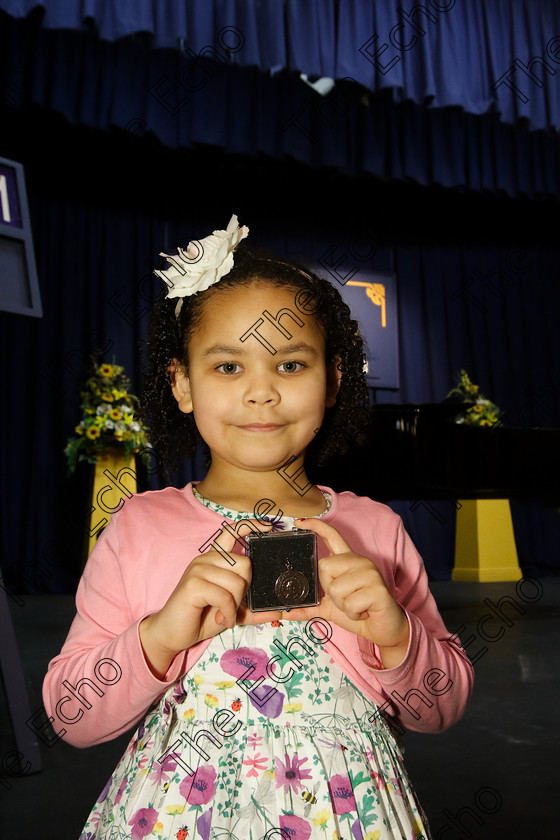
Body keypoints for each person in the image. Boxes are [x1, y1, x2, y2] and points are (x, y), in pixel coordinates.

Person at [43, 215, 474, 840]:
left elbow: (444, 704)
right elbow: (69, 715)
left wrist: (397, 637)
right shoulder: (140, 526)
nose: (262, 393)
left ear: (333, 381)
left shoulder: (376, 529)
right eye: (227, 368)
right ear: (182, 384)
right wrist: (159, 637)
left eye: (292, 366)